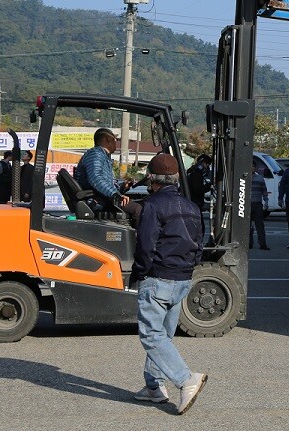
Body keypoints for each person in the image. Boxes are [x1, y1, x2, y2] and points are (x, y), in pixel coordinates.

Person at [129, 153, 207, 415]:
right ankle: (153, 387)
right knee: (164, 336)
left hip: (158, 278)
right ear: (175, 178)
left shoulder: (152, 206)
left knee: (151, 336)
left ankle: (186, 380)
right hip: (183, 278)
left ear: (152, 179)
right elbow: (199, 245)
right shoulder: (192, 207)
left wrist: (139, 272)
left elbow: (146, 246)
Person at [74, 128, 141, 224]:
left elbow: (105, 183)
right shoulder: (95, 154)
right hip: (96, 201)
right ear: (107, 139)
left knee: (141, 205)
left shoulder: (103, 156)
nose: (116, 143)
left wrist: (122, 187)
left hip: (102, 198)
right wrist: (115, 195)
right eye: (115, 140)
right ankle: (143, 239)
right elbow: (95, 178)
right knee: (140, 210)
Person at [248, 168, 269, 250]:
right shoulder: (244, 178)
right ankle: (249, 243)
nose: (251, 168)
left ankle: (262, 244)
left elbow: (264, 191)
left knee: (260, 225)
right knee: (247, 226)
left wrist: (266, 201)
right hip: (247, 205)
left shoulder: (260, 178)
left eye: (253, 166)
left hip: (257, 204)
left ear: (255, 168)